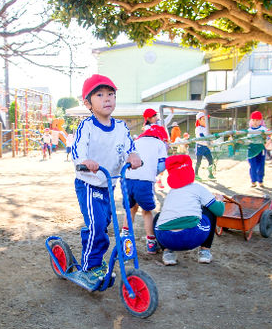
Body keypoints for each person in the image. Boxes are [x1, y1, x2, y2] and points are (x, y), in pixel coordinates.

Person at [72, 74, 141, 285]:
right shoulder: (87, 126)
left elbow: (129, 147)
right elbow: (78, 148)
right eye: (100, 95)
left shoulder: (121, 127)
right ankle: (89, 266)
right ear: (88, 103)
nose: (107, 99)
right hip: (89, 182)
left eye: (111, 94)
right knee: (96, 225)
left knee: (105, 225)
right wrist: (85, 160)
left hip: (109, 184)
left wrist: (133, 156)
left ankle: (96, 260)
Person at [154, 155, 225, 265]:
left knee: (159, 217)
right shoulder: (197, 188)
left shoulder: (171, 192)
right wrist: (220, 200)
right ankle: (204, 252)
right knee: (209, 210)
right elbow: (219, 211)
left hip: (166, 238)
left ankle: (168, 253)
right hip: (191, 237)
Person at [121, 125, 168, 254]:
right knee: (147, 212)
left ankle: (124, 241)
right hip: (145, 182)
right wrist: (153, 172)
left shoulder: (135, 141)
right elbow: (162, 165)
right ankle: (151, 244)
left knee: (130, 209)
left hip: (127, 179)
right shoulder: (160, 144)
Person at [247, 111, 268, 187]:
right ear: (251, 121)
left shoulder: (264, 129)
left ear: (261, 121)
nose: (255, 122)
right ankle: (253, 181)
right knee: (253, 165)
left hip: (261, 149)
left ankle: (260, 180)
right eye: (253, 120)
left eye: (257, 120)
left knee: (261, 165)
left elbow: (267, 137)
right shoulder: (249, 130)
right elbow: (247, 140)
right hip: (252, 149)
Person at [194, 112, 215, 181]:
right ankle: (196, 175)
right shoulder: (198, 128)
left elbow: (208, 136)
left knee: (211, 160)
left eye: (206, 119)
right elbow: (200, 136)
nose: (205, 121)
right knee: (198, 162)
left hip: (206, 147)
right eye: (203, 119)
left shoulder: (206, 128)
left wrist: (211, 140)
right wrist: (207, 139)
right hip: (200, 146)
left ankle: (210, 174)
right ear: (199, 120)